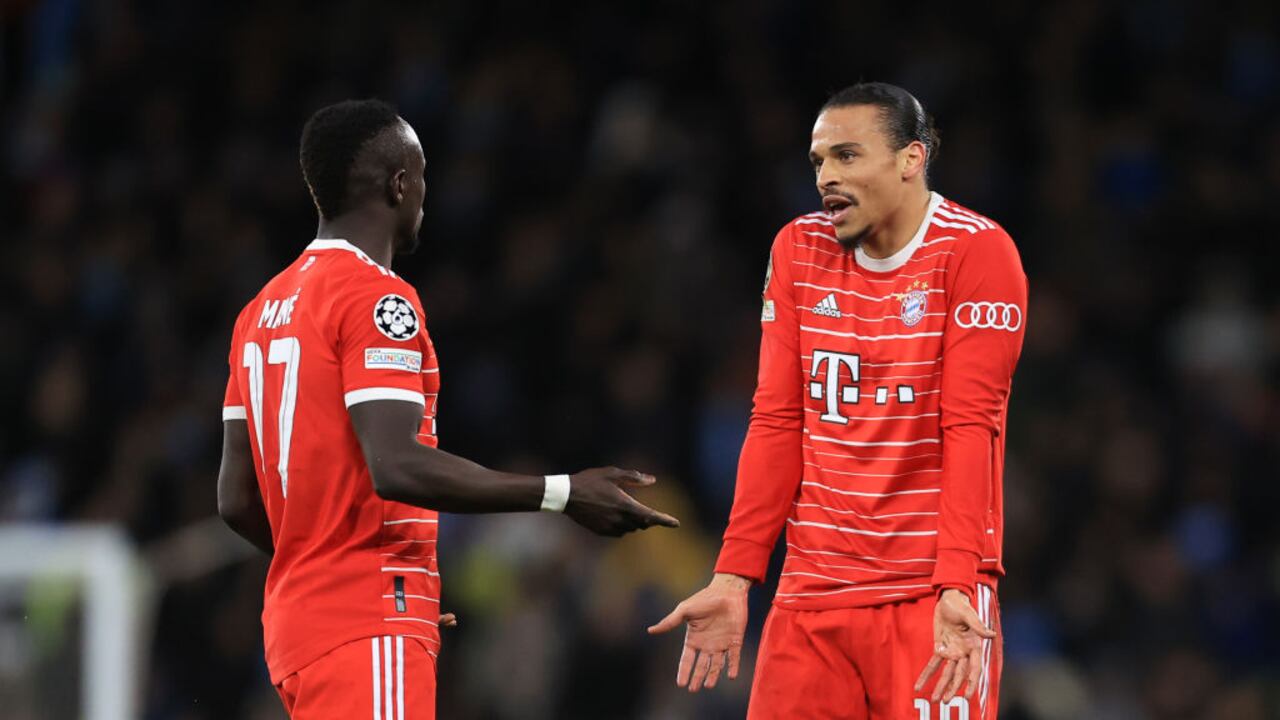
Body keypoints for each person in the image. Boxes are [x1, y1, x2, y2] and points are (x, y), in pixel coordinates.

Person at [216, 99, 678, 719]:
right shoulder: (376, 299)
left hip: (299, 632)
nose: (426, 194)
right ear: (399, 183)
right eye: (423, 175)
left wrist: (337, 572)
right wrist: (564, 493)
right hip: (363, 626)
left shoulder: (258, 314)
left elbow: (236, 499)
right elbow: (397, 465)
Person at [649, 82, 1027, 720]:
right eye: (819, 161)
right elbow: (775, 421)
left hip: (927, 598)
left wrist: (959, 582)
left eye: (847, 156)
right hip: (810, 595)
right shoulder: (798, 248)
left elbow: (970, 428)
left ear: (911, 159)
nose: (826, 176)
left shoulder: (976, 252)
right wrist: (735, 576)